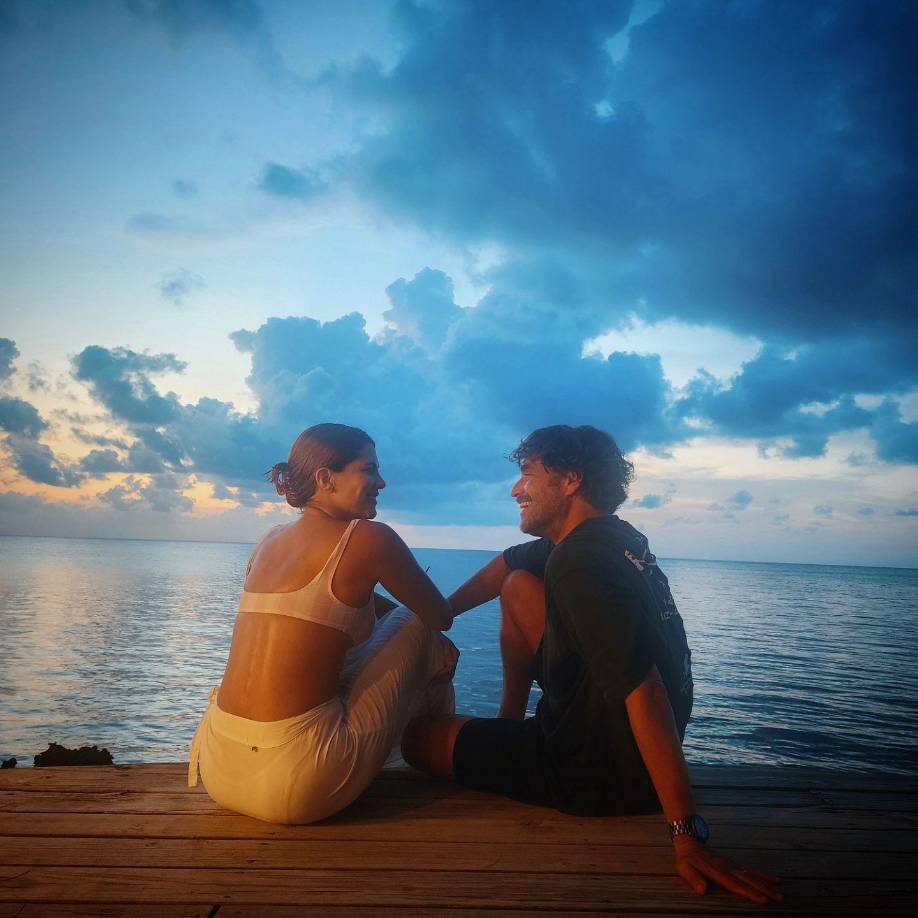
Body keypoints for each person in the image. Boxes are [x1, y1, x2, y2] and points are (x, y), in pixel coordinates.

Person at [402, 424, 782, 905]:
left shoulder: (580, 565)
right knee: (518, 583)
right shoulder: (611, 539)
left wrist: (686, 834)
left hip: (589, 775)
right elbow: (507, 564)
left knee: (416, 740)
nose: (516, 489)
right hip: (619, 756)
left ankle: (514, 744)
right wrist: (442, 617)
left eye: (527, 474)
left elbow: (645, 690)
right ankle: (509, 726)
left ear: (570, 480)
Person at [188, 423, 457, 824]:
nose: (381, 482)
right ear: (326, 478)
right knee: (420, 626)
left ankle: (423, 748)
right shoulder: (370, 538)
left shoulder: (269, 540)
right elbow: (440, 616)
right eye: (369, 469)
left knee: (379, 635)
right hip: (295, 782)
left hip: (218, 766)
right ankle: (434, 752)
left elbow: (325, 606)